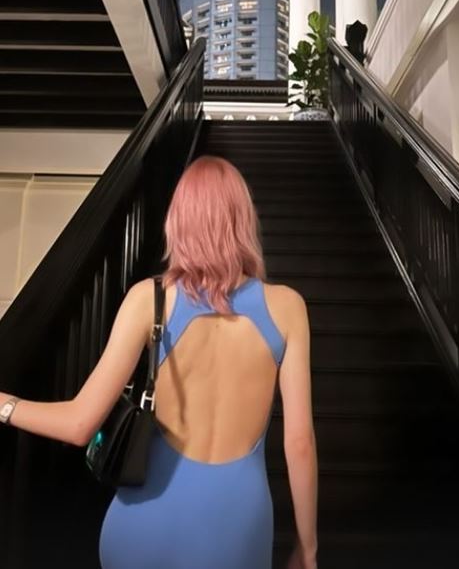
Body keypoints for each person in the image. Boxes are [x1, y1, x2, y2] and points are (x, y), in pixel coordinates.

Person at [0, 155, 318, 569]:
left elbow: (79, 424)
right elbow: (299, 443)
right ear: (244, 220)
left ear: (178, 221)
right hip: (235, 526)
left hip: (142, 524)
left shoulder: (148, 299)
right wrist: (307, 548)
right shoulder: (288, 308)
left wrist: (4, 405)